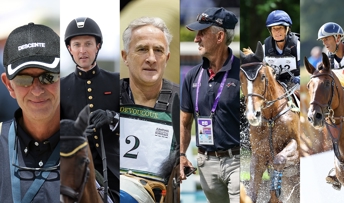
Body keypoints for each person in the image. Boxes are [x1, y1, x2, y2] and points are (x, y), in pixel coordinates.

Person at [180, 7, 241, 203]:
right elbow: (184, 122)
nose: (196, 38)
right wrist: (181, 155)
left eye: (202, 33)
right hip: (206, 164)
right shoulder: (192, 76)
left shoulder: (243, 73)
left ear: (220, 36)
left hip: (238, 162)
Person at [118, 16, 180, 203]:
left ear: (167, 58)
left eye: (158, 50)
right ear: (125, 57)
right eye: (142, 49)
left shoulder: (185, 100)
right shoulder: (104, 98)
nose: (151, 58)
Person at [60, 17, 120, 202]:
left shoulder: (117, 81)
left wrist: (113, 118)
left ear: (98, 46)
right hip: (75, 167)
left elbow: (135, 121)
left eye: (88, 44)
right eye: (76, 45)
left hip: (115, 168)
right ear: (70, 49)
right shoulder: (61, 87)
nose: (82, 50)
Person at [0, 23, 60, 202]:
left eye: (48, 76)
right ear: (9, 85)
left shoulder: (90, 143)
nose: (37, 90)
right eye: (24, 79)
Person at [317, 22, 344, 189]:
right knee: (337, 122)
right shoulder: (331, 61)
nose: (325, 43)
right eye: (323, 40)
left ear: (338, 37)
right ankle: (339, 169)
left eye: (327, 39)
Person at [263, 10, 300, 87]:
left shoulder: (298, 46)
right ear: (270, 31)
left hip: (295, 86)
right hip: (273, 86)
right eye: (274, 28)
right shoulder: (264, 48)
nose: (277, 32)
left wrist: (300, 77)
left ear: (287, 29)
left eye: (280, 28)